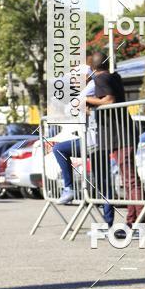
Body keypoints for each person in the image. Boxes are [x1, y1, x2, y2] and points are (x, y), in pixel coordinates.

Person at [84, 51, 126, 230]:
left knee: (109, 179)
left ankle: (125, 222)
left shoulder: (99, 80)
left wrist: (84, 99)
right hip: (102, 136)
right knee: (107, 179)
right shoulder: (111, 77)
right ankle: (116, 221)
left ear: (91, 68)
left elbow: (108, 101)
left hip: (102, 138)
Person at [54, 65, 95, 205]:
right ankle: (69, 188)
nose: (73, 82)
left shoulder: (92, 86)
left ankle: (69, 188)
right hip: (89, 137)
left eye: (75, 78)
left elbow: (71, 107)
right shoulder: (85, 89)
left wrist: (78, 105)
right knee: (59, 149)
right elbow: (70, 108)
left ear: (86, 77)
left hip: (93, 139)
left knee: (59, 149)